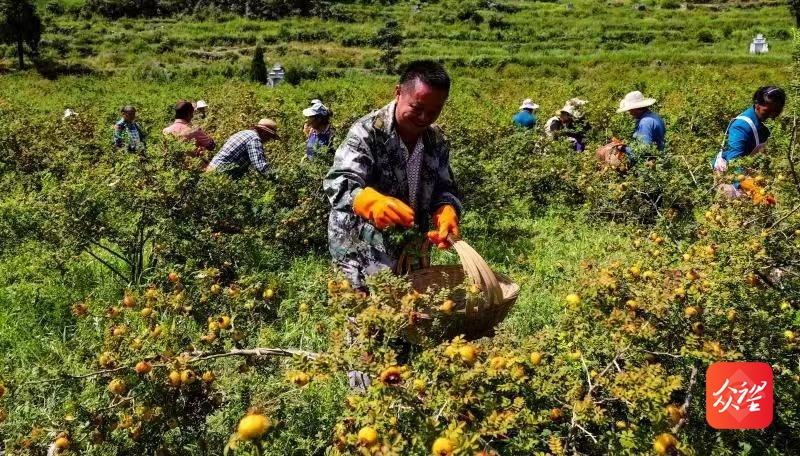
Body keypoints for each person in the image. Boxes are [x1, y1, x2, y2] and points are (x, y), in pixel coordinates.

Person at [323, 60, 462, 291]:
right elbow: (338, 180)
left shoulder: (436, 141)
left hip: (411, 245)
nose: (424, 117)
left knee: (411, 312)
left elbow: (444, 187)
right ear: (398, 92)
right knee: (366, 317)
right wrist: (368, 201)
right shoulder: (367, 132)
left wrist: (446, 209)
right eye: (417, 108)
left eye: (434, 111)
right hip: (361, 245)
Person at [713, 86, 786, 199]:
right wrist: (752, 188)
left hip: (746, 170)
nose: (772, 115)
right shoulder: (741, 127)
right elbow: (734, 162)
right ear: (757, 104)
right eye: (769, 110)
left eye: (776, 111)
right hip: (730, 175)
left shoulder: (761, 124)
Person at [207, 118, 279, 178]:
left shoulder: (245, 132)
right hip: (219, 174)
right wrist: (277, 177)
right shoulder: (254, 139)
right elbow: (259, 165)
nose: (269, 139)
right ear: (264, 132)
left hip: (213, 170)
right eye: (270, 136)